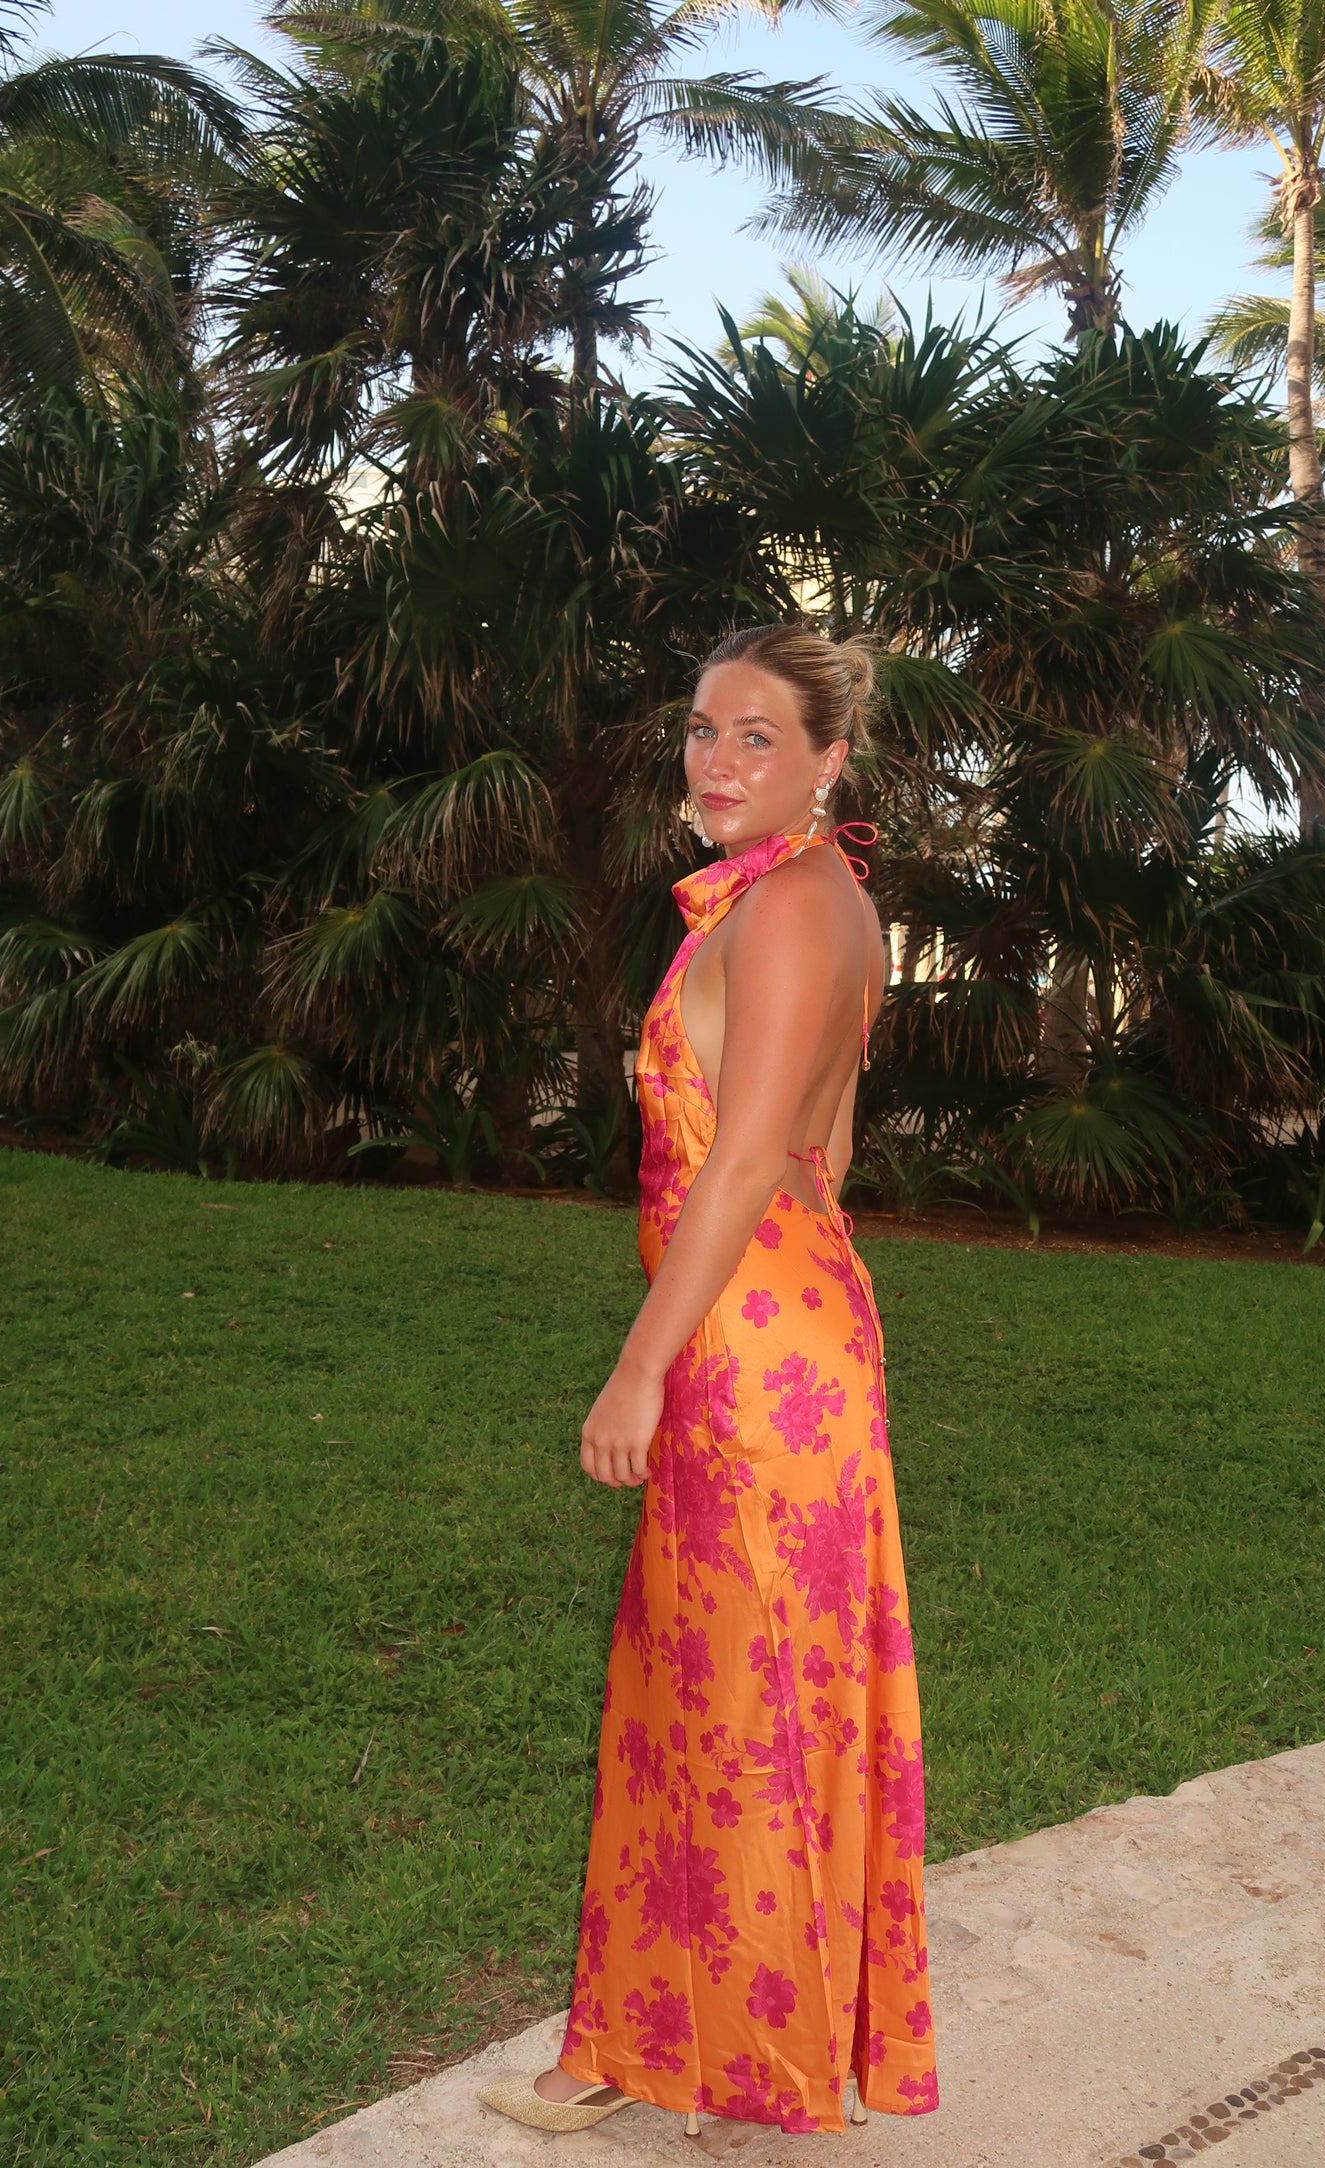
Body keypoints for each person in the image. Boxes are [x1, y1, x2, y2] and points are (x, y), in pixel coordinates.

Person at [478, 623, 937, 2139]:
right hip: (781, 1328)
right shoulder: (809, 899)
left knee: (733, 1706)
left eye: (756, 737)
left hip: (747, 1355)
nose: (717, 762)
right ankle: (685, 2040)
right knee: (731, 1699)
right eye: (700, 730)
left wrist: (640, 1368)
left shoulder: (793, 907)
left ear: (827, 761)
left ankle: (696, 2048)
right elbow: (831, 1143)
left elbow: (746, 1161)